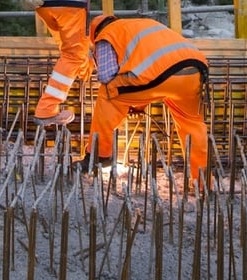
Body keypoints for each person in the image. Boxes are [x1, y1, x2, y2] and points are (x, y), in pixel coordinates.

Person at [74, 15, 210, 185]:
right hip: (194, 72)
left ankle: (99, 155)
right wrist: (138, 104)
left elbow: (107, 76)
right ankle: (203, 183)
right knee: (192, 124)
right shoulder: (142, 25)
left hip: (159, 76)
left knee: (108, 92)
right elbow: (148, 67)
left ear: (94, 34)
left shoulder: (106, 35)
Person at [21, 0, 92, 127]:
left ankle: (83, 72)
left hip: (46, 6)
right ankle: (47, 109)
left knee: (70, 52)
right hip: (69, 5)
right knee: (73, 56)